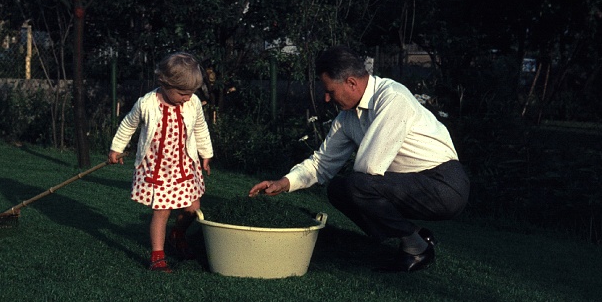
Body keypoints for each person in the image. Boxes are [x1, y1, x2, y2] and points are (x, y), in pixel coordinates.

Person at [249, 45, 469, 273]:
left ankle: (417, 249)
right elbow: (322, 163)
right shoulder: (347, 118)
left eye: (330, 91)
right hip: (408, 183)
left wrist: (360, 189)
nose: (326, 98)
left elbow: (370, 167)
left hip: (445, 185)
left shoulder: (392, 97)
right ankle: (414, 236)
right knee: (338, 189)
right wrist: (284, 182)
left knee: (357, 185)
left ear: (352, 83)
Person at [108, 52, 214, 273]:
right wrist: (116, 148)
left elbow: (200, 127)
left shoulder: (193, 103)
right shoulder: (146, 104)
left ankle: (177, 234)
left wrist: (206, 154)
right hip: (158, 170)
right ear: (165, 84)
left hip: (184, 166)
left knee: (193, 208)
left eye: (191, 93)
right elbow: (128, 124)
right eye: (182, 93)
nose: (187, 98)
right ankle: (157, 256)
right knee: (162, 211)